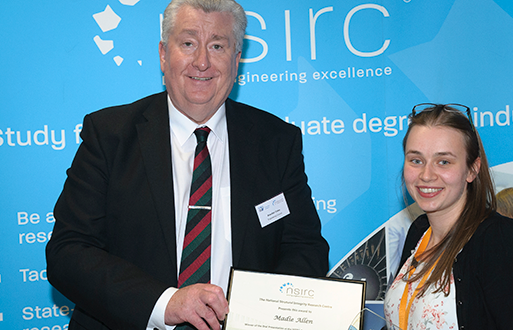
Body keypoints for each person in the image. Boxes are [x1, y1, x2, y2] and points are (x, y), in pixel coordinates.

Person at [45, 0, 329, 329]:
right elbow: (69, 253)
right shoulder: (110, 135)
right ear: (164, 55)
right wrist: (166, 303)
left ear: (236, 61)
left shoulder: (277, 141)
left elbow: (305, 248)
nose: (202, 62)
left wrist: (263, 315)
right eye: (188, 43)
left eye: (218, 46)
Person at [383, 104, 513, 330]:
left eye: (444, 162)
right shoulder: (419, 231)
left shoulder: (502, 240)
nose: (426, 175)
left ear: (472, 169)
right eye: (416, 160)